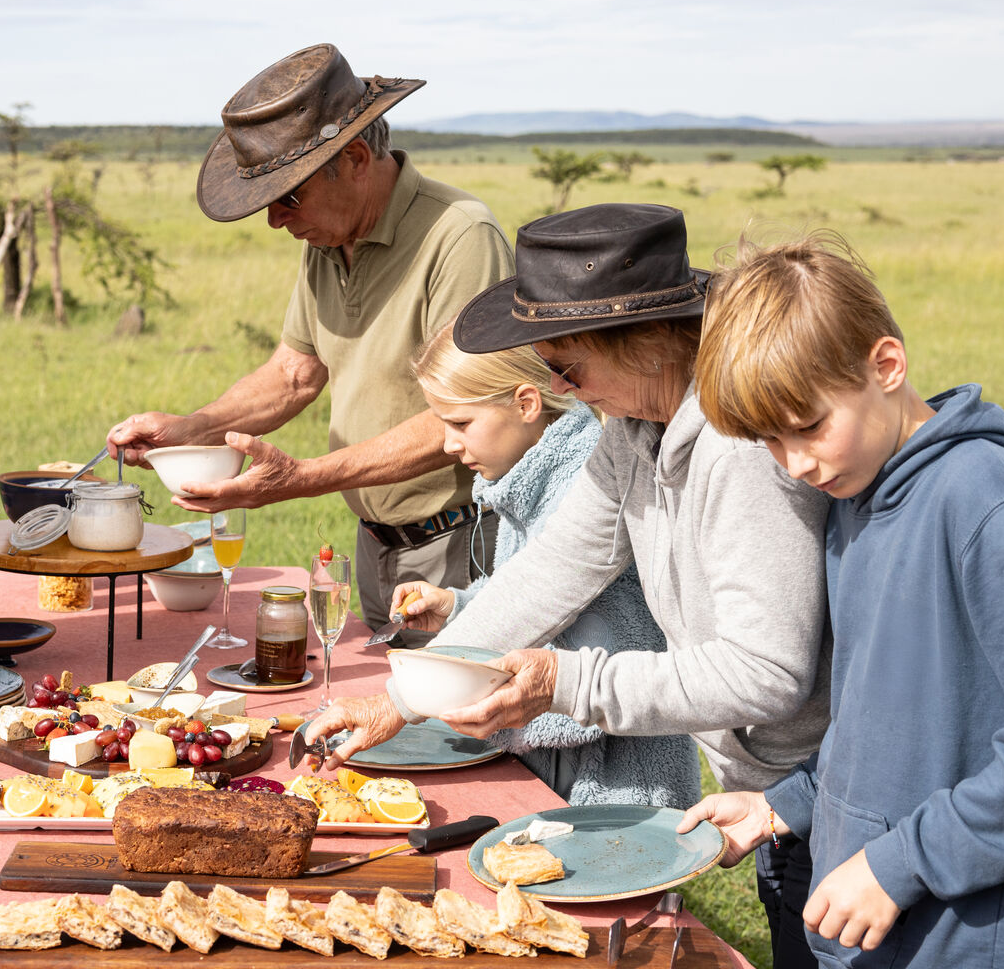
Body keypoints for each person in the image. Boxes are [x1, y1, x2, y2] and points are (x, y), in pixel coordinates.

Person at [307, 203, 830, 965]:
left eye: (568, 367)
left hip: (825, 794)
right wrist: (401, 699)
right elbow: (553, 569)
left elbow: (767, 671)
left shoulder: (736, 449)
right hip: (771, 788)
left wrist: (564, 681)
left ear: (646, 342)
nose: (558, 387)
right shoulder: (632, 430)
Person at [679, 232, 1004, 967]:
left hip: (979, 940)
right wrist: (781, 805)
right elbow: (876, 721)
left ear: (886, 365)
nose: (794, 464)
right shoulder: (855, 495)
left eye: (808, 427)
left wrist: (901, 864)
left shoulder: (988, 505)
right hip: (886, 936)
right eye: (767, 443)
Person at [107, 44, 513, 642]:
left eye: (288, 196)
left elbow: (465, 419)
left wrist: (302, 478)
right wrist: (191, 430)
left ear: (353, 159)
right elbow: (295, 374)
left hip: (459, 545)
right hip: (376, 545)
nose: (275, 220)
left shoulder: (461, 236)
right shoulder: (327, 237)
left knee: (457, 727)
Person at [392, 323, 703, 808]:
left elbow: (614, 634)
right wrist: (460, 607)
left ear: (525, 404)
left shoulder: (578, 479)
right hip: (559, 760)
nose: (449, 444)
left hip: (614, 779)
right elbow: (531, 591)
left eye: (460, 424)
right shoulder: (525, 477)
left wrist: (433, 694)